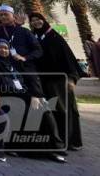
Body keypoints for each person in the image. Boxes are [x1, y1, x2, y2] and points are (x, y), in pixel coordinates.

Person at [0, 39, 66, 161]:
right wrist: (30, 97)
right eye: (0, 48)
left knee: (45, 110)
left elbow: (29, 81)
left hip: (23, 94)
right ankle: (36, 150)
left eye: (6, 48)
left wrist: (34, 95)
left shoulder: (15, 63)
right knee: (31, 110)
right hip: (8, 96)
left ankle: (53, 147)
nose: (3, 50)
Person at [30, 12, 85, 151]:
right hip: (44, 82)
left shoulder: (54, 37)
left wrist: (72, 79)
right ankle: (57, 140)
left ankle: (71, 141)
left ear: (44, 20)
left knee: (65, 110)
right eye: (33, 20)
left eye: (38, 19)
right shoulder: (35, 38)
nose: (36, 22)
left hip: (60, 81)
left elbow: (68, 57)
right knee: (51, 111)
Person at [0, 0, 42, 72]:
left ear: (13, 16)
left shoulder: (24, 31)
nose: (3, 17)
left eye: (6, 14)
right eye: (1, 15)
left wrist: (25, 58)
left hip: (27, 67)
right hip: (9, 68)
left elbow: (38, 50)